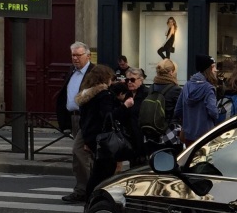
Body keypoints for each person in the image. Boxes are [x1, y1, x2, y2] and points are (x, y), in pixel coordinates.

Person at [77, 64, 131, 204]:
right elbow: (109, 116)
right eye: (110, 78)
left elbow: (82, 120)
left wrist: (87, 140)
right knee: (104, 172)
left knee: (98, 170)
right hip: (103, 139)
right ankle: (94, 202)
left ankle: (91, 201)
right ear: (105, 78)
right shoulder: (104, 95)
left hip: (91, 137)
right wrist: (125, 106)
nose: (111, 81)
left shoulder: (87, 94)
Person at [57, 42, 93, 204]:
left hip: (87, 118)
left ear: (88, 56)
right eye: (73, 55)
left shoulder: (93, 73)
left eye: (79, 55)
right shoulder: (72, 71)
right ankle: (82, 189)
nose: (75, 58)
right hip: (74, 117)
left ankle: (89, 190)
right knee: (80, 156)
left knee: (80, 152)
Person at [136, 60, 180, 156]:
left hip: (151, 132)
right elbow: (179, 112)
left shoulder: (152, 87)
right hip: (168, 132)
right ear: (171, 72)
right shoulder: (176, 90)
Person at [179, 54, 222, 143]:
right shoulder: (208, 88)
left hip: (188, 134)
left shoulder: (187, 85)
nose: (215, 70)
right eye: (213, 67)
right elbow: (213, 112)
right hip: (205, 135)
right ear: (208, 69)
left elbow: (178, 109)